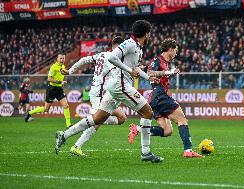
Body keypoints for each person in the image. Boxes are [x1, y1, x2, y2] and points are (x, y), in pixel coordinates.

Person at [55, 20, 163, 163]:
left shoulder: (138, 47)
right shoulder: (130, 43)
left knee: (98, 118)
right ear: (146, 33)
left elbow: (135, 70)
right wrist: (130, 70)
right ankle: (145, 152)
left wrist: (149, 78)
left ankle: (64, 135)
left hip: (115, 86)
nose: (150, 36)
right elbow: (112, 57)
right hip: (121, 85)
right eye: (149, 33)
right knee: (148, 112)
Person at [128, 38, 204, 158]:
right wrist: (168, 72)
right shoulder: (158, 60)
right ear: (170, 49)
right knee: (182, 120)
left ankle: (137, 128)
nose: (176, 53)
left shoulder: (166, 63)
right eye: (175, 51)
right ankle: (188, 150)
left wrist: (168, 71)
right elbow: (149, 73)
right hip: (159, 95)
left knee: (167, 131)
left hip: (156, 97)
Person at [60, 37, 127, 156]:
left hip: (102, 93)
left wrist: (70, 71)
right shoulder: (112, 59)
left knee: (122, 118)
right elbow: (117, 74)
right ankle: (72, 142)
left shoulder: (102, 55)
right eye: (123, 47)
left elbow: (84, 59)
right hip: (99, 94)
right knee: (97, 121)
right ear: (118, 47)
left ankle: (74, 141)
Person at [24, 54, 72, 128]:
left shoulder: (62, 66)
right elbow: (49, 79)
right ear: (57, 59)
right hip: (51, 89)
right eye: (61, 58)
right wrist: (59, 82)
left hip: (59, 89)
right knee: (46, 109)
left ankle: (68, 124)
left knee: (66, 106)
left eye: (63, 58)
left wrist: (70, 72)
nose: (62, 59)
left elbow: (63, 72)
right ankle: (29, 113)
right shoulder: (53, 67)